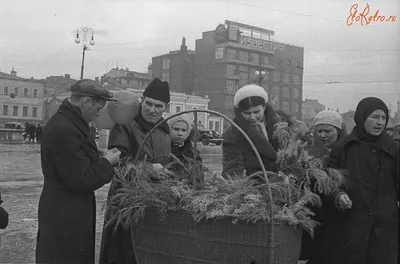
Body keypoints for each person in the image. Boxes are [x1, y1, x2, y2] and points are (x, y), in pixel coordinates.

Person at [36, 79, 121, 264]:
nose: (98, 114)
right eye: (98, 109)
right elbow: (82, 180)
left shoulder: (68, 122)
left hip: (65, 210)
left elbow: (73, 161)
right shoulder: (66, 129)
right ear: (86, 102)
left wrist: (94, 155)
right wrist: (107, 162)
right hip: (65, 213)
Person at [99, 78, 172, 264]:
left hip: (154, 201)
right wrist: (148, 169)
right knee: (122, 253)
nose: (152, 110)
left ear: (166, 108)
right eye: (148, 103)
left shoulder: (164, 130)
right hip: (124, 200)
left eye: (158, 106)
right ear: (142, 100)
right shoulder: (126, 125)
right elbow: (118, 162)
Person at [319, 97, 399, 264]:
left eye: (384, 118)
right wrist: (338, 195)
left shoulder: (393, 148)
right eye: (375, 117)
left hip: (384, 228)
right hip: (351, 226)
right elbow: (329, 182)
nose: (380, 122)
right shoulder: (344, 147)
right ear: (362, 117)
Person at [300, 110, 347, 264]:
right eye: (318, 131)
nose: (322, 135)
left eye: (328, 131)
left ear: (339, 132)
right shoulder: (308, 153)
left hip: (339, 213)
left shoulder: (348, 153)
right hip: (315, 214)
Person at [222, 84, 279, 178]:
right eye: (247, 113)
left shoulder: (279, 126)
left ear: (264, 107)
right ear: (240, 112)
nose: (252, 117)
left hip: (281, 182)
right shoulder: (234, 132)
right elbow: (232, 167)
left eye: (256, 112)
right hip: (253, 184)